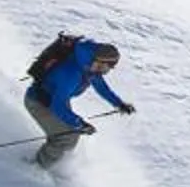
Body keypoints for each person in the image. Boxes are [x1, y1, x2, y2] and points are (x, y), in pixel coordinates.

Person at [23, 35, 134, 168]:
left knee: (70, 136)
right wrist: (79, 123)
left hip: (54, 99)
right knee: (65, 138)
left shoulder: (88, 64)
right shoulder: (71, 73)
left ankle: (50, 162)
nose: (107, 71)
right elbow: (57, 106)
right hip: (39, 103)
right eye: (108, 67)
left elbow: (100, 86)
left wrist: (119, 104)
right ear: (101, 62)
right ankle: (36, 168)